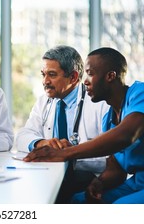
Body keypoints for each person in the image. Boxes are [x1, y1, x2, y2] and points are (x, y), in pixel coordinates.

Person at [24, 47, 144, 204]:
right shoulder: (109, 119)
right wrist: (99, 183)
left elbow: (126, 135)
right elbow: (116, 169)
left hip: (138, 185)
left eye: (90, 74)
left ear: (110, 76)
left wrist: (65, 153)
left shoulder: (140, 93)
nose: (85, 80)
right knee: (78, 201)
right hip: (136, 184)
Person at [16, 45, 109, 203]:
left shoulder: (99, 103)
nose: (45, 81)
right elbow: (22, 136)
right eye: (43, 74)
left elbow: (110, 155)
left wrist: (70, 153)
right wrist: (42, 143)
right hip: (51, 177)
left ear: (73, 77)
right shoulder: (44, 102)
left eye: (52, 75)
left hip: (92, 180)